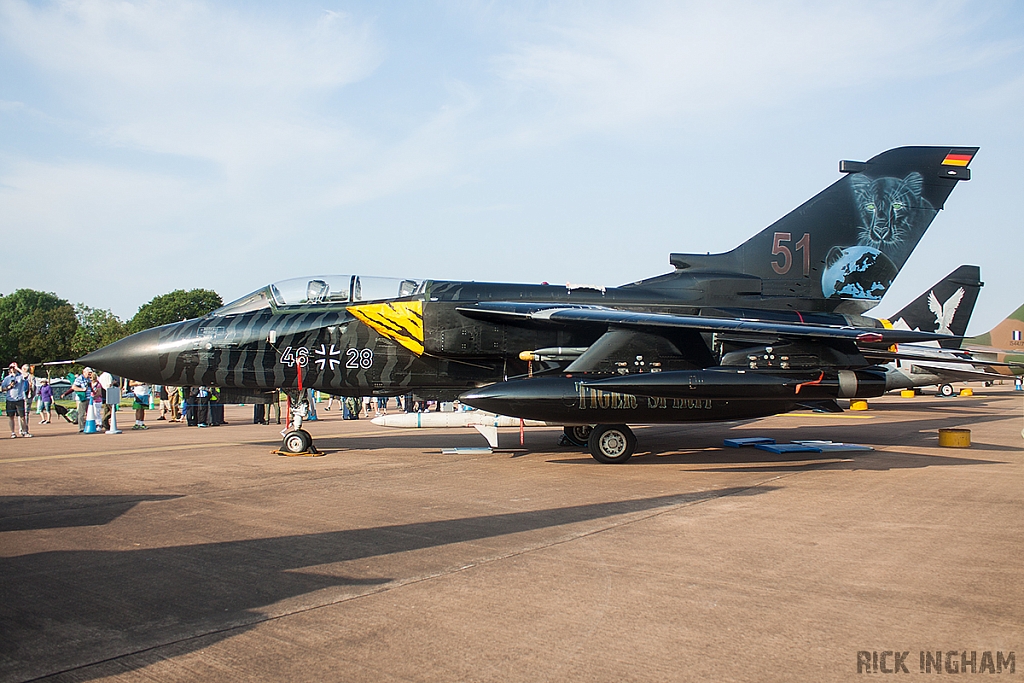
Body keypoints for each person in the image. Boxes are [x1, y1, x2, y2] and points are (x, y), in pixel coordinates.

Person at [2, 363, 31, 438]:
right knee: (11, 417)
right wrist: (9, 387)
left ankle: (24, 431)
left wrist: (18, 368)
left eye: (13, 367)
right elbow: (2, 388)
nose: (12, 369)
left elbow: (26, 375)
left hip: (19, 399)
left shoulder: (20, 376)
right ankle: (13, 432)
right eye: (11, 367)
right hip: (10, 399)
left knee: (22, 417)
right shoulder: (7, 378)